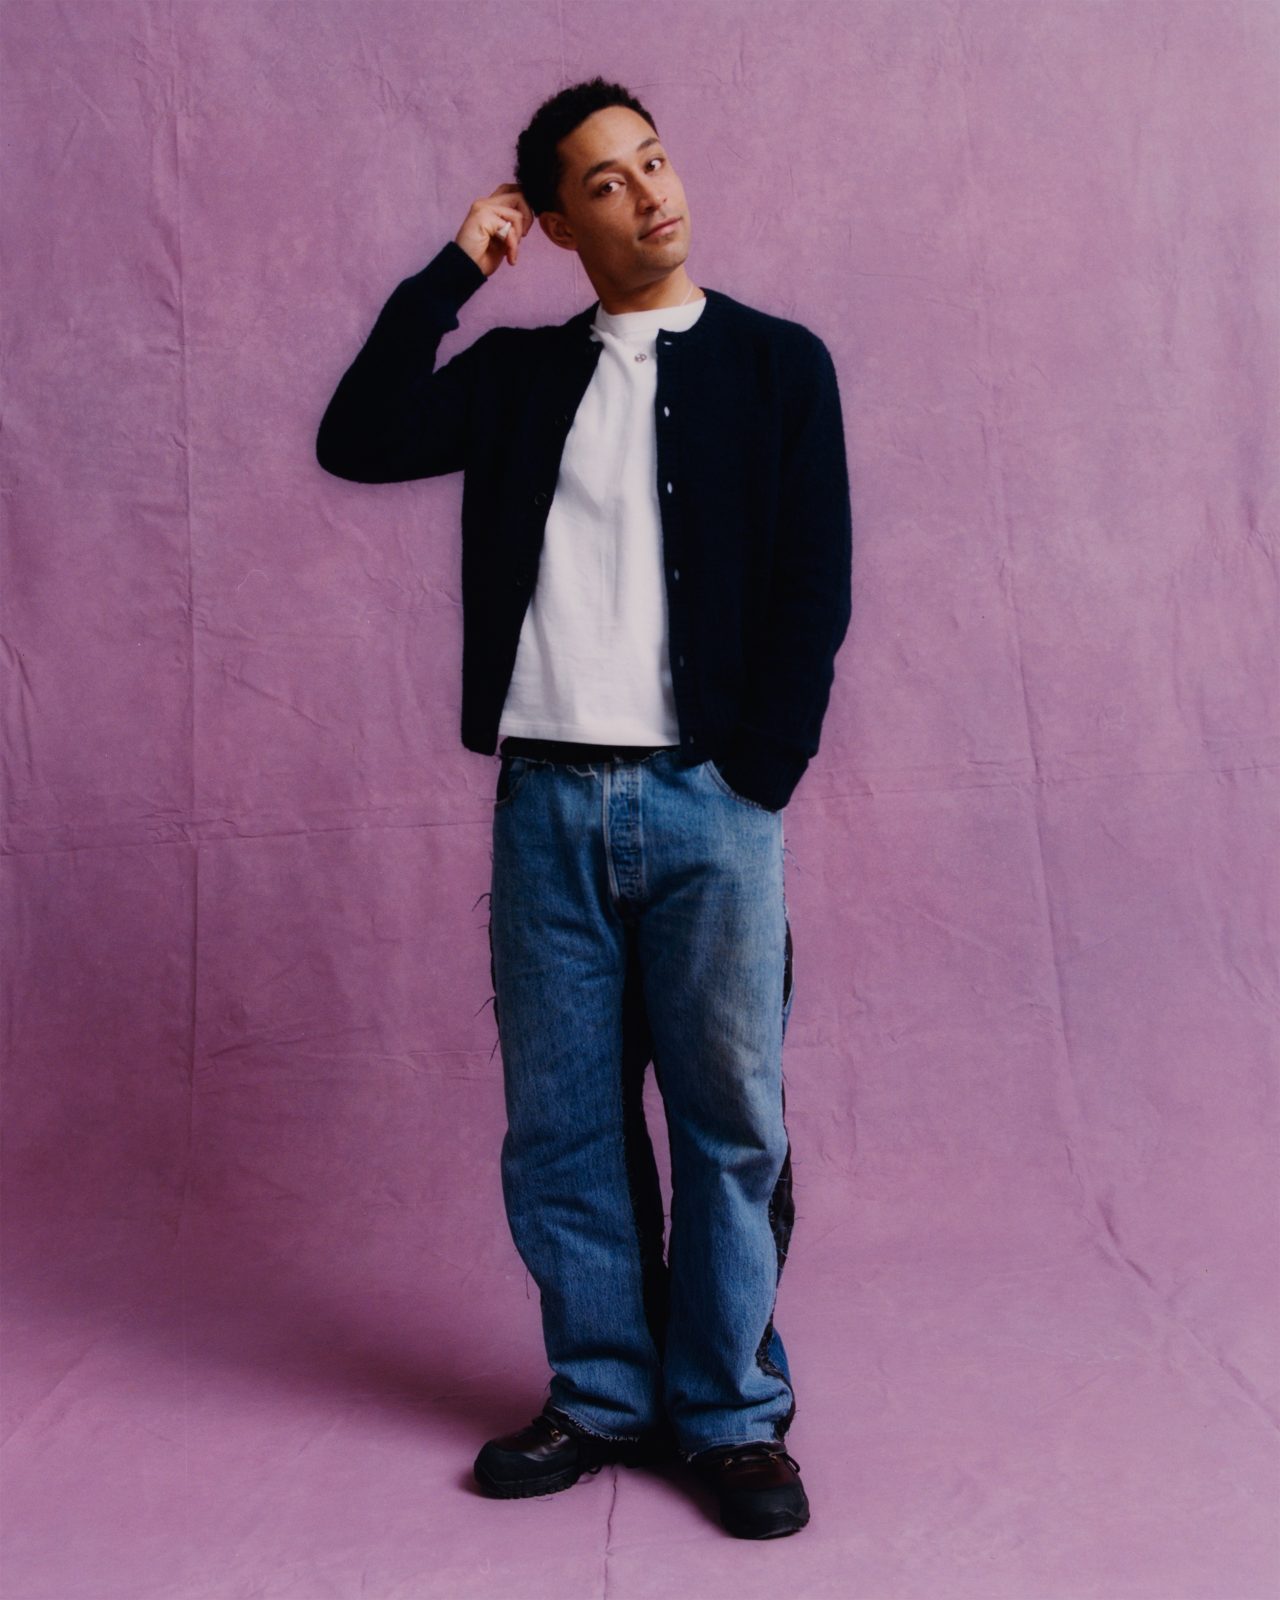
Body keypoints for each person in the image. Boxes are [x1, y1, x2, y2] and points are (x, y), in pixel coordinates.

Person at [316, 76, 852, 1541]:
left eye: (655, 160)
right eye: (606, 181)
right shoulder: (518, 377)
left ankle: (731, 1412)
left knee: (731, 1122)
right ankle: (602, 1393)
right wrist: (454, 268)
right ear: (557, 224)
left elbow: (815, 581)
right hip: (546, 798)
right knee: (560, 1126)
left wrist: (758, 772)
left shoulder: (779, 366)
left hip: (710, 802)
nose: (649, 193)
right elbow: (356, 435)